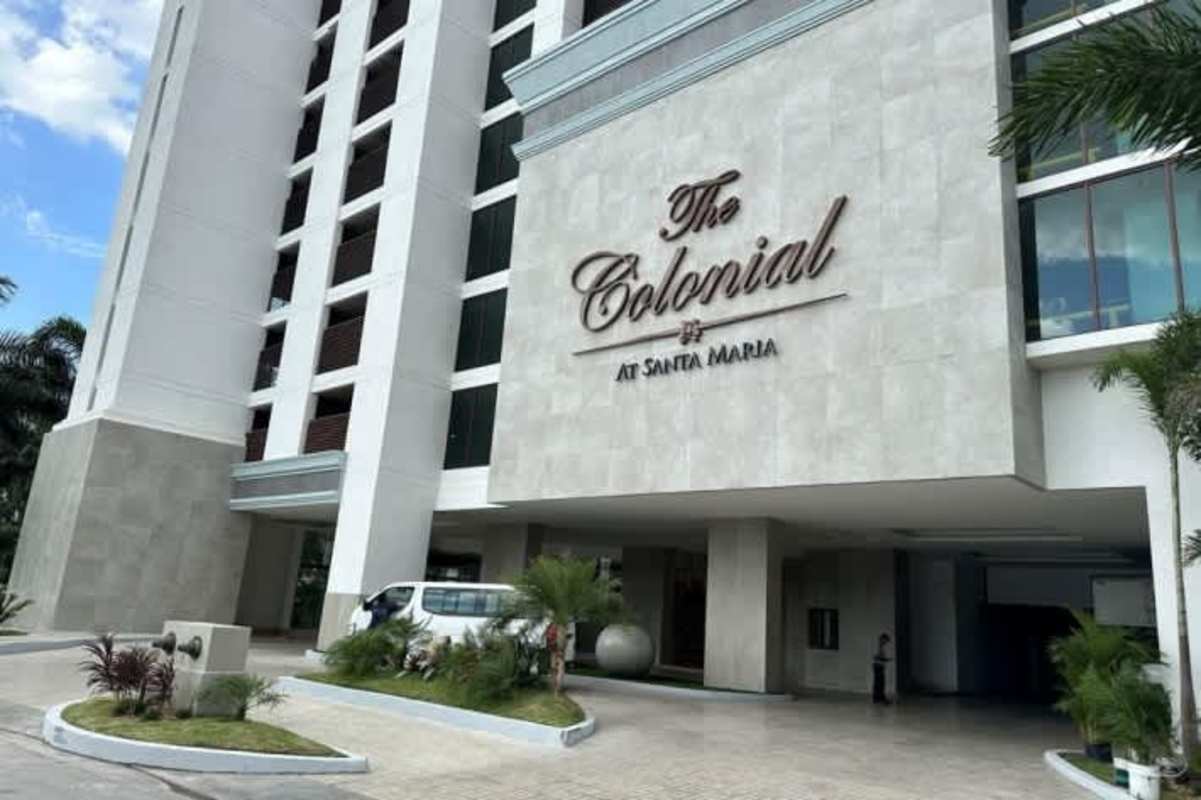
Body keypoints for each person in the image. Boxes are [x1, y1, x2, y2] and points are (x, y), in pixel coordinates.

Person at [872, 632, 892, 705]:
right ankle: (878, 698)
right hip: (878, 666)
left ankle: (880, 698)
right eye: (886, 641)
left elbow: (880, 657)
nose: (886, 642)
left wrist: (885, 659)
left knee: (881, 683)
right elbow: (876, 656)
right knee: (879, 683)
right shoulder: (877, 646)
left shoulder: (881, 646)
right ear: (882, 639)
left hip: (880, 666)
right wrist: (885, 659)